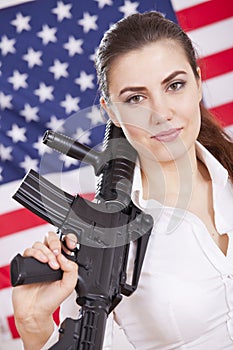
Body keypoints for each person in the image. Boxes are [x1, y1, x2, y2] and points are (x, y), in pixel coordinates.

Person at [12, 11, 233, 350]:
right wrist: (33, 325)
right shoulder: (100, 243)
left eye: (175, 86)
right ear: (111, 112)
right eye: (135, 99)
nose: (160, 113)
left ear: (198, 82)